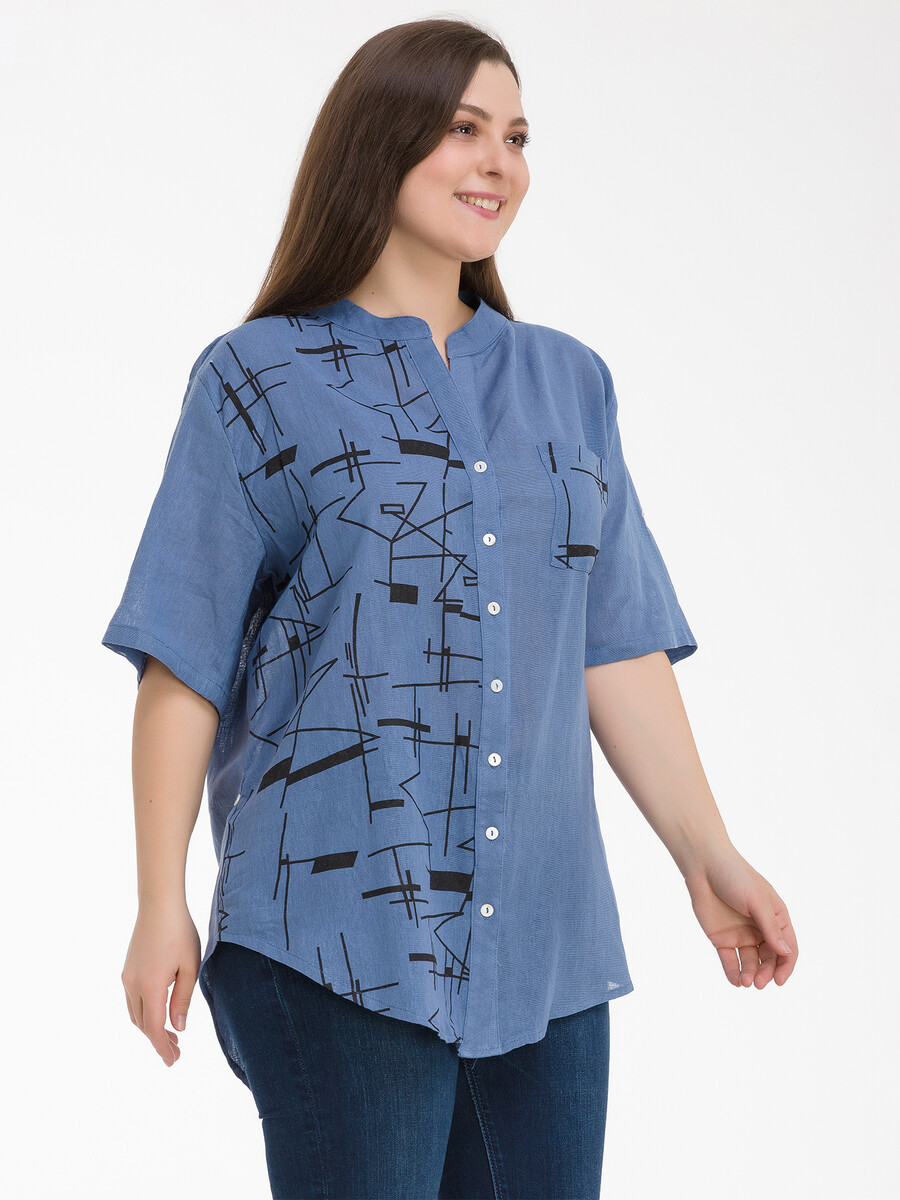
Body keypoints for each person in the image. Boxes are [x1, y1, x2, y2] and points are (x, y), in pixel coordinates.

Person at [101, 16, 798, 1200]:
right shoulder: (256, 378)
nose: (499, 163)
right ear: (379, 142)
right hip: (335, 930)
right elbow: (184, 656)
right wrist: (159, 899)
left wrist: (708, 856)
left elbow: (613, 645)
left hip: (545, 945)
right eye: (465, 128)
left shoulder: (569, 383)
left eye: (517, 137)